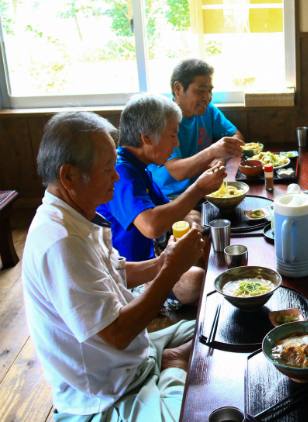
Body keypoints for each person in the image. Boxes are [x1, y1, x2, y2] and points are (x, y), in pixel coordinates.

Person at [22, 112, 208, 421]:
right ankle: (171, 365)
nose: (117, 177)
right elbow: (119, 334)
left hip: (129, 357)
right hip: (105, 392)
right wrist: (172, 269)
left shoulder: (76, 214)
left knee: (217, 322)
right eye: (109, 169)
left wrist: (163, 261)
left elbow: (116, 272)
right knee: (196, 413)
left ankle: (166, 361)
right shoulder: (59, 242)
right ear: (69, 177)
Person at [98, 93, 227, 304]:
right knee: (198, 280)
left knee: (204, 243)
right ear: (146, 137)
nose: (176, 143)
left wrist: (193, 223)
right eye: (172, 135)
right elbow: (151, 226)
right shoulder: (121, 171)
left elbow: (172, 211)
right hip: (132, 274)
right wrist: (198, 189)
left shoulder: (141, 167)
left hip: (153, 256)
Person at [149, 58, 245, 198]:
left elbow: (236, 136)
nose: (207, 98)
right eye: (200, 91)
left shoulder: (208, 110)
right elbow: (178, 172)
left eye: (209, 91)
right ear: (178, 89)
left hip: (207, 190)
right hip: (173, 197)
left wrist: (221, 158)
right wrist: (212, 152)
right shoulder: (162, 119)